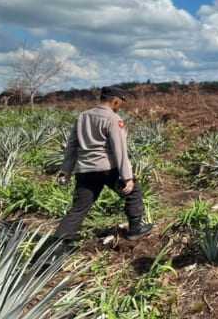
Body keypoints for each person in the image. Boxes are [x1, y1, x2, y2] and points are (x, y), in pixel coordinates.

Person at [53, 86, 153, 245]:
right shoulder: (113, 119)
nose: (120, 106)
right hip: (108, 169)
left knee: (79, 207)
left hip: (85, 170)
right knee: (133, 193)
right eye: (120, 103)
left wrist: (65, 170)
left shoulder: (83, 117)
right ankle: (135, 230)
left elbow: (72, 145)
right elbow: (119, 150)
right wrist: (127, 177)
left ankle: (58, 244)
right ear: (115, 101)